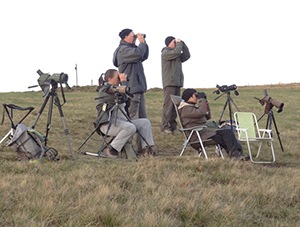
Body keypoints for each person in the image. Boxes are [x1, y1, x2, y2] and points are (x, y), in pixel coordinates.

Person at [94, 69, 155, 158]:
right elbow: (122, 96)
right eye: (117, 77)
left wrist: (123, 84)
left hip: (122, 122)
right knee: (130, 127)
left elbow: (127, 96)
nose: (119, 79)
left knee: (145, 123)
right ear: (110, 79)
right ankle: (111, 149)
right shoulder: (104, 90)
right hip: (107, 124)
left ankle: (147, 150)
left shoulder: (116, 89)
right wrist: (123, 82)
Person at [178, 88, 247, 160]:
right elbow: (201, 112)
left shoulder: (190, 108)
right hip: (197, 136)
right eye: (195, 95)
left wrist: (205, 102)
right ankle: (236, 155)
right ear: (189, 97)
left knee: (227, 132)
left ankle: (237, 154)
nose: (197, 98)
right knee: (225, 135)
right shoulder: (185, 109)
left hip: (203, 133)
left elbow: (207, 116)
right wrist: (202, 100)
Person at [113, 28, 149, 120]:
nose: (135, 38)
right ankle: (131, 133)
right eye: (133, 36)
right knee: (134, 117)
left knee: (142, 117)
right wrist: (141, 43)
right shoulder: (123, 50)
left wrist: (143, 43)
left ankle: (142, 134)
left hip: (137, 86)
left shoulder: (131, 49)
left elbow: (144, 55)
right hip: (131, 87)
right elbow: (139, 54)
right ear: (125, 37)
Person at [161, 36, 190, 134]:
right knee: (168, 105)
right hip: (169, 82)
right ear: (170, 42)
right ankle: (165, 126)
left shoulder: (176, 54)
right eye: (175, 42)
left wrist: (183, 43)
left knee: (176, 106)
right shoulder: (166, 52)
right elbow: (177, 52)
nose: (177, 44)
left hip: (177, 82)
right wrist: (178, 45)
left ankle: (173, 126)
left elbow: (186, 55)